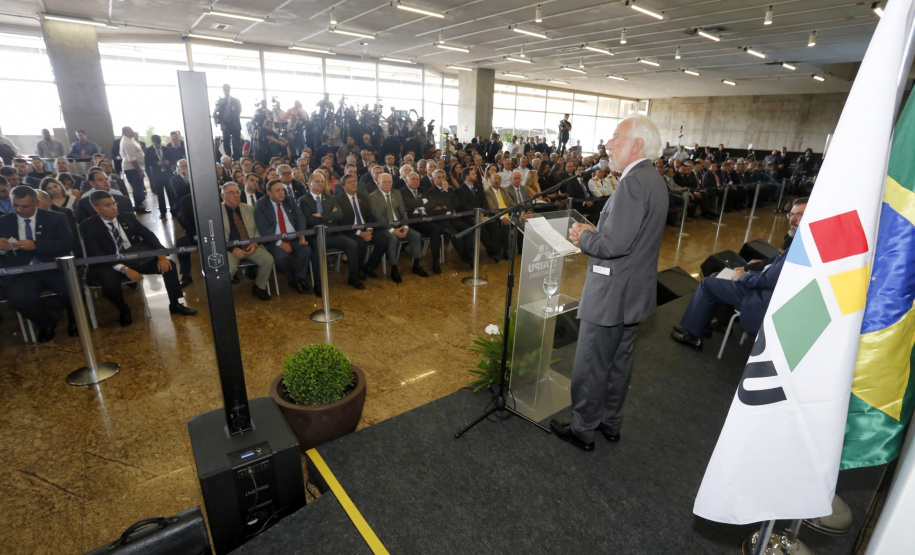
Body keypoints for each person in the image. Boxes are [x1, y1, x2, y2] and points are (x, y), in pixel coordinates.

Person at [550, 115, 669, 451]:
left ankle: (582, 429)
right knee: (618, 363)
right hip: (633, 293)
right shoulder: (653, 179)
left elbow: (613, 246)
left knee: (591, 364)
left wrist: (585, 237)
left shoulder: (632, 183)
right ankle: (609, 423)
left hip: (611, 292)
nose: (608, 143)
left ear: (636, 145)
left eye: (616, 136)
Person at [670, 198, 806, 350]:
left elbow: (768, 280)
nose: (793, 219)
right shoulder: (804, 240)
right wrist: (750, 267)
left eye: (800, 214)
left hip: (762, 297)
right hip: (766, 289)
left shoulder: (802, 247)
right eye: (791, 214)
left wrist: (743, 276)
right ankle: (713, 322)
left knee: (707, 283)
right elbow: (776, 261)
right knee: (717, 275)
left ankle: (692, 335)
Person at [81, 191, 197, 327]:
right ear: (96, 209)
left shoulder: (128, 217)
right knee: (109, 284)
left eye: (114, 203)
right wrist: (125, 270)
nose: (114, 207)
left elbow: (149, 236)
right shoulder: (88, 226)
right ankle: (123, 309)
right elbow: (97, 253)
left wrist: (161, 255)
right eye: (108, 205)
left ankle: (176, 304)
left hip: (135, 258)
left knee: (169, 266)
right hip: (109, 264)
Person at [0, 186, 77, 341]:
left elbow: (68, 243)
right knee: (19, 298)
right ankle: (45, 324)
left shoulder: (56, 218)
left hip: (52, 266)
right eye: (15, 205)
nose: (19, 210)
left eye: (25, 206)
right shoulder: (3, 222)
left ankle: (75, 320)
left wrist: (37, 245)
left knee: (72, 291)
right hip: (22, 271)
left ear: (37, 203)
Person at [254, 179, 313, 294]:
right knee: (281, 258)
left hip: (294, 238)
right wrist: (280, 243)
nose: (282, 193)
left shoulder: (290, 200)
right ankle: (293, 278)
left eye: (282, 190)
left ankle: (298, 279)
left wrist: (301, 236)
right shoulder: (261, 205)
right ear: (269, 193)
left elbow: (300, 218)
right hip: (273, 241)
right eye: (277, 190)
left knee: (305, 250)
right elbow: (263, 228)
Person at [368, 173, 429, 283]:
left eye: (389, 182)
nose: (387, 184)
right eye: (384, 182)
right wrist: (392, 230)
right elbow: (378, 217)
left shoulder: (396, 193)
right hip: (384, 227)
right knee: (393, 239)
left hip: (399, 225)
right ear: (378, 183)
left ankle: (416, 265)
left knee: (416, 235)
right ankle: (394, 268)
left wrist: (405, 226)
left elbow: (403, 211)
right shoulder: (373, 196)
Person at [220, 183, 274, 301]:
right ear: (222, 196)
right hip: (229, 249)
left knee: (268, 260)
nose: (236, 195)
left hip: (250, 245)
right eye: (231, 193)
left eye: (237, 192)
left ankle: (259, 287)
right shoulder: (216, 212)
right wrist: (232, 249)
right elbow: (216, 237)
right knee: (228, 269)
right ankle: (222, 294)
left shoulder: (249, 209)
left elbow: (257, 229)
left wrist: (255, 243)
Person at [336, 173, 388, 285]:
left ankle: (369, 267)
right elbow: (342, 222)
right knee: (360, 243)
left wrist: (369, 230)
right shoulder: (339, 200)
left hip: (366, 228)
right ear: (343, 186)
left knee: (383, 240)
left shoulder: (363, 198)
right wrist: (360, 233)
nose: (353, 183)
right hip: (350, 231)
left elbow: (370, 216)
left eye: (354, 181)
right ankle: (357, 272)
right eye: (349, 182)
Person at [118, 127, 149, 213]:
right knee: (137, 188)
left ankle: (140, 205)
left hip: (133, 168)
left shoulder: (129, 139)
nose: (133, 132)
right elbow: (132, 159)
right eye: (130, 131)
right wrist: (139, 170)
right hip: (132, 169)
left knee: (138, 188)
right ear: (125, 132)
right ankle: (139, 207)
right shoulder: (127, 143)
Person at [145, 135, 173, 219]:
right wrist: (156, 164)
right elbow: (147, 162)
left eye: (159, 143)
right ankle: (163, 212)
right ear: (152, 142)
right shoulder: (149, 150)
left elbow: (172, 159)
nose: (157, 144)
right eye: (156, 143)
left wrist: (169, 162)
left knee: (170, 193)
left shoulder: (166, 149)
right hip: (157, 175)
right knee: (160, 194)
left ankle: (173, 210)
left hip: (167, 174)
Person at [214, 84, 243, 159]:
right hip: (225, 124)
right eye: (224, 89)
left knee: (236, 142)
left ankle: (237, 157)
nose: (226, 90)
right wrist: (217, 119)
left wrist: (229, 115)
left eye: (227, 88)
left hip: (235, 124)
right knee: (226, 141)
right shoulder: (219, 101)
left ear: (229, 89)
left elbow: (238, 112)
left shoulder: (236, 101)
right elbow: (216, 112)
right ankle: (228, 157)